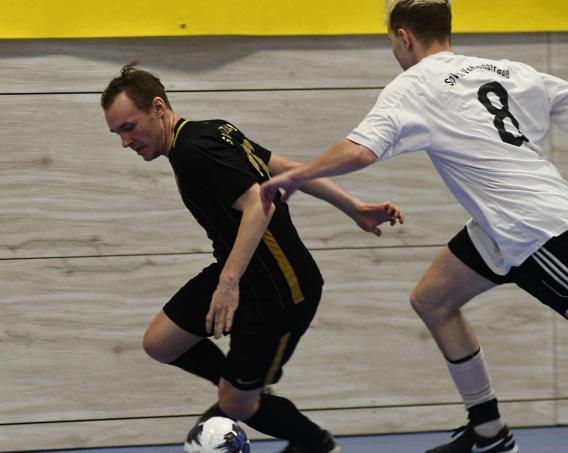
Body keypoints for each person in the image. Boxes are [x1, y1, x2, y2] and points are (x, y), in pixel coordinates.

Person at [258, 1, 568, 452]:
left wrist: (298, 175)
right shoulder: (506, 68)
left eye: (392, 40)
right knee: (433, 299)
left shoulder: (413, 85)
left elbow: (361, 150)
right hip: (502, 227)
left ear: (403, 36)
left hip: (534, 234)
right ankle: (489, 431)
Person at [101, 62, 404, 453]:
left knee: (236, 402)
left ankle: (315, 444)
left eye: (129, 127)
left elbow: (260, 207)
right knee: (161, 342)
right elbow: (288, 171)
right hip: (244, 271)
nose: (126, 141)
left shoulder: (196, 150)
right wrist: (354, 206)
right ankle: (243, 387)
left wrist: (227, 285)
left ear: (158, 107)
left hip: (281, 289)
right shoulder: (211, 129)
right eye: (117, 134)